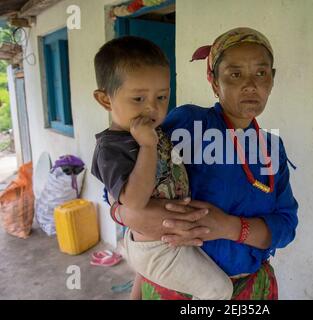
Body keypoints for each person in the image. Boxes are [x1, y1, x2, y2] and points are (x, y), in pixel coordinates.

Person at [114, 27, 299, 300]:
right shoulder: (188, 124)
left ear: (272, 79)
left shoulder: (272, 148)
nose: (251, 85)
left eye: (261, 73)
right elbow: (127, 183)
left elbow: (285, 227)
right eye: (235, 74)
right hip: (177, 290)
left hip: (249, 290)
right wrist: (123, 214)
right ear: (213, 81)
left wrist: (228, 227)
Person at [91, 36, 234, 300]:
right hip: (157, 247)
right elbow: (133, 201)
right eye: (138, 98)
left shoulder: (155, 130)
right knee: (219, 291)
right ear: (105, 100)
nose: (152, 108)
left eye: (162, 96)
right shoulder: (111, 149)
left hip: (164, 241)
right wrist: (147, 147)